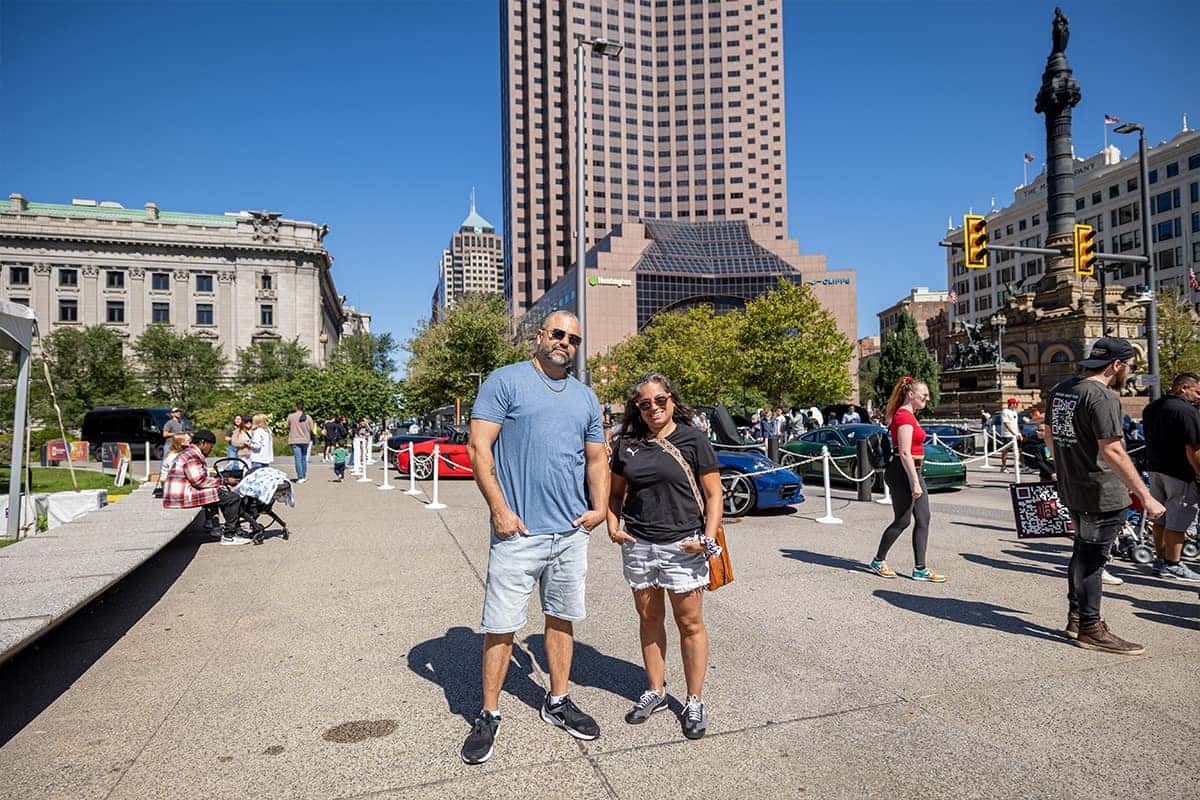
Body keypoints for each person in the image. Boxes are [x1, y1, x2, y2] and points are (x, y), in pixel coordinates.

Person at [459, 310, 609, 765]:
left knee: (561, 618)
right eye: (558, 333)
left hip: (569, 533)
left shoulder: (586, 397)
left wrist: (600, 508)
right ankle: (488, 713)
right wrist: (500, 510)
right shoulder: (506, 381)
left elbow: (597, 458)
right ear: (541, 335)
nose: (565, 342)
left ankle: (557, 701)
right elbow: (478, 446)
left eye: (574, 339)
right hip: (517, 532)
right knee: (501, 624)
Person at [607, 373, 722, 740]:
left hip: (683, 544)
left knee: (690, 623)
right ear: (636, 409)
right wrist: (613, 526)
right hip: (639, 544)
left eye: (660, 401)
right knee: (649, 618)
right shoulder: (627, 444)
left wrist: (706, 539)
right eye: (644, 404)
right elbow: (614, 494)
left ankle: (693, 700)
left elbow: (714, 495)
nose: (653, 408)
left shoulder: (693, 439)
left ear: (672, 400)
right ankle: (655, 690)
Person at [1047, 337, 1165, 654]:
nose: (1130, 371)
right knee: (1093, 561)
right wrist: (1146, 495)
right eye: (1130, 366)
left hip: (1073, 488)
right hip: (1101, 492)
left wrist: (1063, 465)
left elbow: (1048, 433)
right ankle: (1090, 627)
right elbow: (1112, 448)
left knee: (1081, 554)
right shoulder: (1102, 396)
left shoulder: (1062, 390)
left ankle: (1077, 618)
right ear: (1116, 365)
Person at [870, 377, 947, 582]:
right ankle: (878, 560)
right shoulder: (903, 417)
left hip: (912, 471)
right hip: (903, 472)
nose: (927, 398)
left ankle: (920, 568)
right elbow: (904, 452)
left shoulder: (910, 416)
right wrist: (914, 481)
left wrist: (916, 477)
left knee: (924, 518)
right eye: (924, 394)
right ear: (910, 394)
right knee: (903, 520)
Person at [1141, 372, 1200, 582]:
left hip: (1155, 468)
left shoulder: (1151, 408)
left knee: (1161, 518)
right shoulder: (1186, 411)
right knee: (1179, 519)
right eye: (1197, 392)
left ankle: (1160, 561)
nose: (1199, 397)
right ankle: (1173, 564)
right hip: (1179, 473)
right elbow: (1193, 448)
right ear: (1184, 387)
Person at [162, 430, 249, 546]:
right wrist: (225, 481)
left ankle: (217, 527)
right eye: (211, 445)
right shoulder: (192, 456)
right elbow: (199, 481)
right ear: (203, 443)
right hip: (181, 496)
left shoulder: (190, 452)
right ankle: (229, 535)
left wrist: (220, 482)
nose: (211, 449)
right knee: (232, 498)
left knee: (221, 492)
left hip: (180, 492)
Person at [153, 432, 190, 499]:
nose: (190, 443)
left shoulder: (180, 454)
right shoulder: (173, 457)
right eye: (188, 441)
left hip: (174, 483)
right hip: (171, 486)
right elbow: (176, 474)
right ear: (181, 442)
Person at [285, 402, 314, 484]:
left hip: (295, 440)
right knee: (304, 459)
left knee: (298, 459)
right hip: (305, 440)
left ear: (296, 407)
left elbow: (286, 426)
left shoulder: (291, 416)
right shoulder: (308, 417)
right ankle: (303, 476)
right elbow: (312, 428)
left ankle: (300, 477)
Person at [999, 398, 1023, 472]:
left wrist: (1019, 433)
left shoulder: (1015, 412)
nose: (1017, 405)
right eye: (1016, 403)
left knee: (1020, 450)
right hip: (1007, 435)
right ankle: (1003, 466)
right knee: (1005, 451)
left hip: (1015, 435)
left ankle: (1023, 465)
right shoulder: (1005, 412)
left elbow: (1016, 424)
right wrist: (1013, 433)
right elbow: (1006, 424)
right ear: (1012, 404)